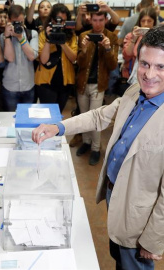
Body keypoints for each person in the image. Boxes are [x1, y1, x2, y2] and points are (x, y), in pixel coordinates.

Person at [32, 25, 164, 270]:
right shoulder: (135, 91)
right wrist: (57, 127)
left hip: (141, 219)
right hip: (115, 197)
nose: (149, 74)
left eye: (160, 67)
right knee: (119, 258)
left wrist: (153, 241)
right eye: (145, 64)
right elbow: (99, 116)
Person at [75, 10, 118, 166]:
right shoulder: (83, 36)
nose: (98, 24)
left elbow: (113, 65)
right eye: (95, 20)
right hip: (82, 83)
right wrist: (84, 49)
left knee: (95, 118)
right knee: (84, 116)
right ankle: (86, 142)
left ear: (106, 20)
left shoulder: (111, 38)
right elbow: (79, 64)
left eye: (101, 20)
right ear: (90, 20)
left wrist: (107, 49)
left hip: (99, 85)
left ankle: (95, 149)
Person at [35, 3, 77, 112]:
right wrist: (49, 40)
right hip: (46, 82)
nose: (60, 24)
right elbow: (43, 60)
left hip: (65, 82)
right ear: (52, 20)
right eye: (58, 20)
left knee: (58, 115)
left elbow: (73, 58)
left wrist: (62, 42)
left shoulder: (71, 36)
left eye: (63, 21)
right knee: (47, 116)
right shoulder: (44, 34)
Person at [0, 4, 38, 111]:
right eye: (15, 22)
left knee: (27, 119)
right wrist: (7, 37)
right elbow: (10, 58)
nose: (18, 25)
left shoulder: (32, 34)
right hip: (10, 86)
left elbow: (32, 56)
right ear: (9, 20)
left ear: (24, 19)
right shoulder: (3, 36)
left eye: (20, 22)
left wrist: (21, 38)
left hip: (28, 85)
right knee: (11, 120)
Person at [122, 7, 157, 82]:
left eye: (149, 21)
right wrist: (134, 39)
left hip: (153, 76)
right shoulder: (131, 36)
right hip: (133, 76)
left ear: (154, 22)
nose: (146, 24)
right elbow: (126, 56)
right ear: (139, 22)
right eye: (143, 21)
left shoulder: (158, 37)